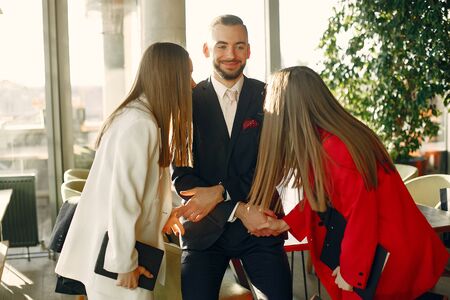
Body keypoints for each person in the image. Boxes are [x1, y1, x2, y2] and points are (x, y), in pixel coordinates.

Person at [247, 66, 449, 299]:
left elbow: (361, 215)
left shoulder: (337, 148)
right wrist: (285, 224)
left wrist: (352, 273)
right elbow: (321, 195)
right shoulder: (329, 140)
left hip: (385, 254)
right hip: (385, 249)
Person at [55, 42, 192, 300]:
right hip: (117, 258)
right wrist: (124, 263)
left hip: (112, 250)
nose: (192, 85)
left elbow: (138, 190)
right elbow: (122, 200)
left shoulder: (134, 116)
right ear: (169, 78)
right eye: (187, 75)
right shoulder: (141, 125)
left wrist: (167, 213)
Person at [172, 15, 292, 300]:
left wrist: (221, 191)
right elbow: (182, 177)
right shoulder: (186, 102)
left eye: (239, 47)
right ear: (206, 50)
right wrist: (236, 208)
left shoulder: (269, 96)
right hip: (204, 231)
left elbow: (273, 166)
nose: (231, 55)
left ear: (249, 50)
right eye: (222, 46)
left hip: (260, 227)